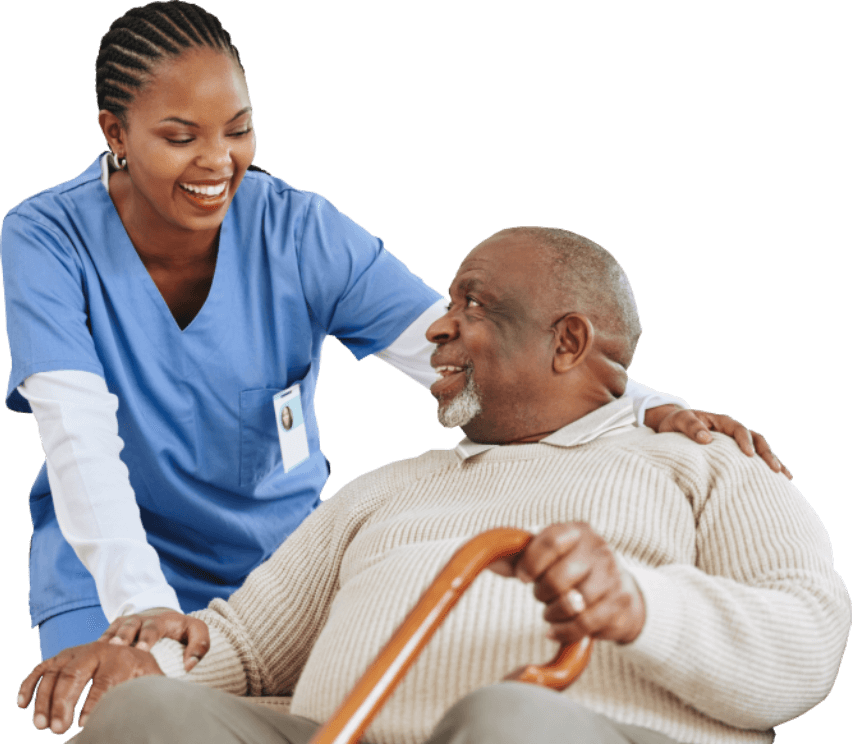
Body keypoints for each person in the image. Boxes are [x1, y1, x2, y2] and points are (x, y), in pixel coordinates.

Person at [1, 1, 788, 669]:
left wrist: (649, 404)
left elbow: (460, 353)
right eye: (181, 137)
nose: (219, 161)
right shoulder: (45, 236)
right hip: (107, 567)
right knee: (123, 716)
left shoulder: (296, 230)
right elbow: (77, 439)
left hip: (279, 577)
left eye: (238, 129)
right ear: (116, 132)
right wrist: (141, 608)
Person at [18, 226, 847, 743]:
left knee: (509, 720)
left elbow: (807, 644)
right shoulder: (386, 489)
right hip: (336, 735)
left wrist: (641, 606)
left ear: (567, 341)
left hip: (576, 733)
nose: (440, 325)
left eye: (475, 305)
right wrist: (141, 663)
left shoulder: (706, 462)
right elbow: (242, 646)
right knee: (145, 717)